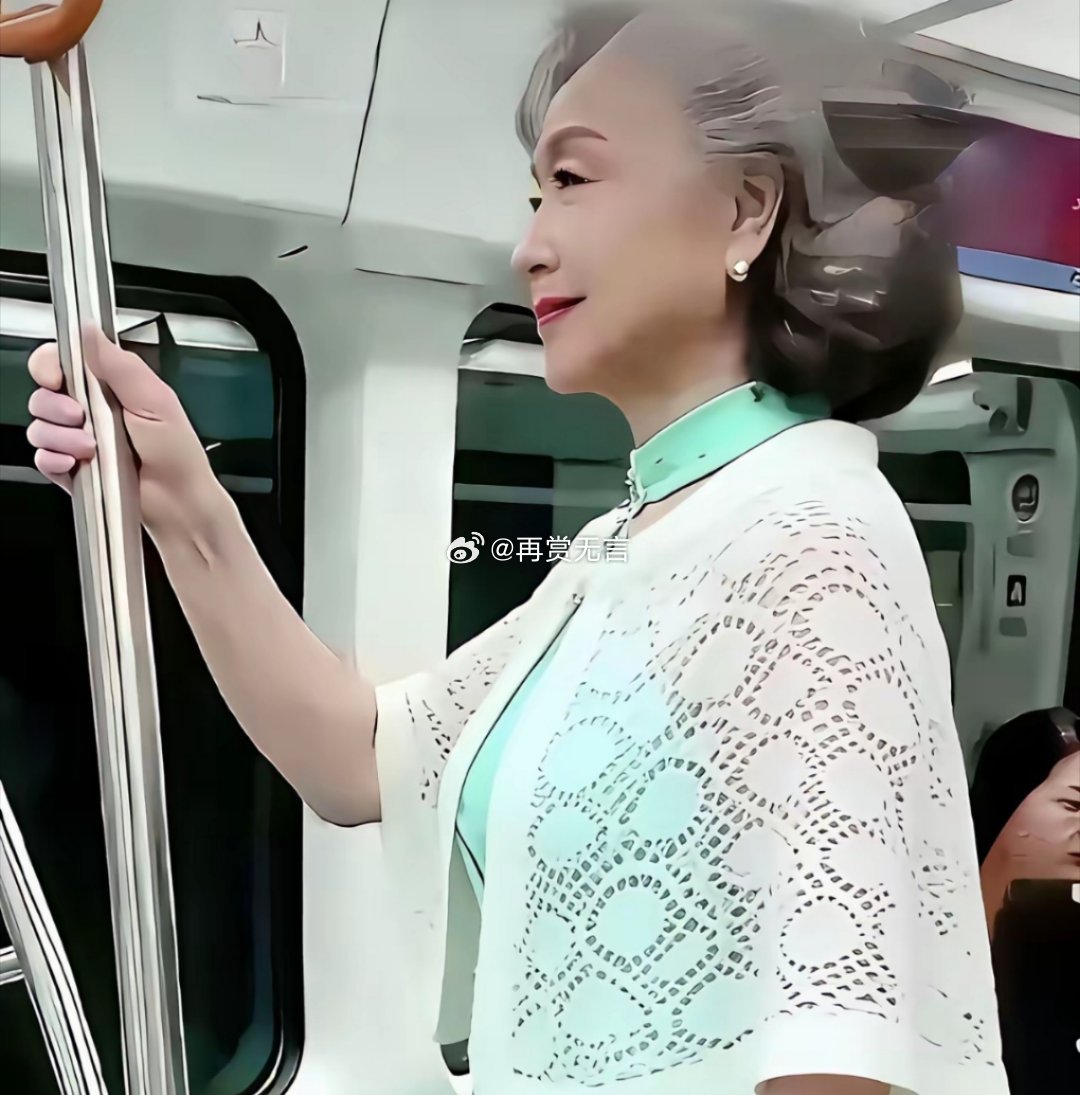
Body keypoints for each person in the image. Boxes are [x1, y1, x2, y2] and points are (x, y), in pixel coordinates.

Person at [25, 2, 1008, 1092]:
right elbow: (360, 757)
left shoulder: (812, 538)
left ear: (746, 209)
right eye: (535, 198)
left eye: (573, 182)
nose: (528, 245)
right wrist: (180, 499)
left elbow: (839, 1046)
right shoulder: (625, 548)